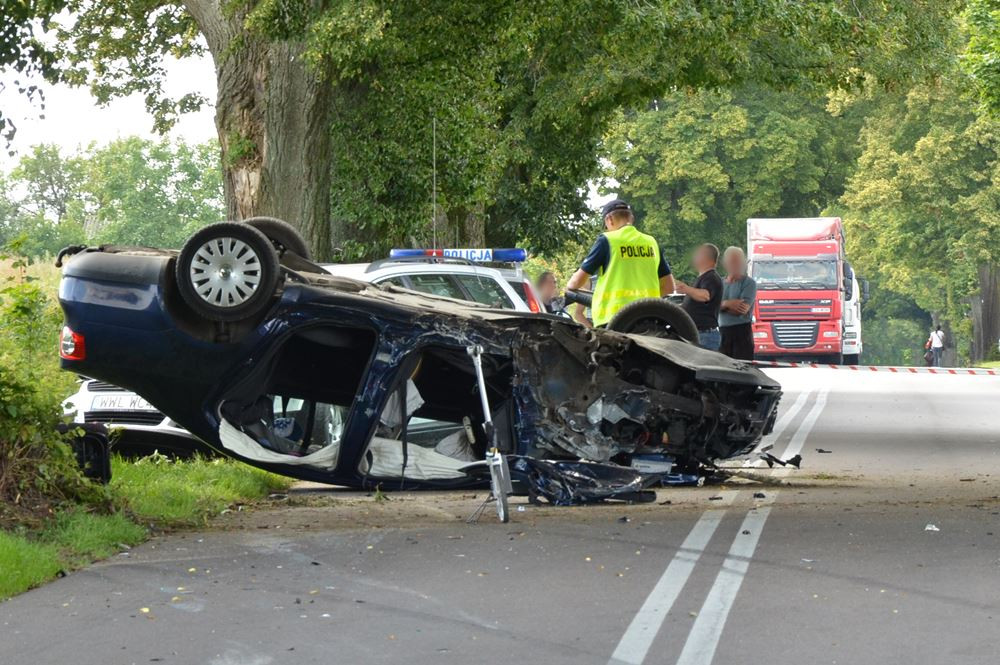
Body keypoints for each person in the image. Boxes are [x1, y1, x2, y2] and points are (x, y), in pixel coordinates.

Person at [565, 199, 674, 327]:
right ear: (631, 218)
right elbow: (669, 287)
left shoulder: (607, 240)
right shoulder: (651, 243)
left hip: (614, 321)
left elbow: (576, 283)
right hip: (648, 320)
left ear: (609, 220)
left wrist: (569, 287)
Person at [675, 243, 724, 350]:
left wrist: (686, 288)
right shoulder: (704, 277)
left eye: (698, 254)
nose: (694, 257)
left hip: (704, 335)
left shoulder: (711, 277)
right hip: (699, 335)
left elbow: (705, 296)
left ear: (706, 258)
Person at [718, 246, 756, 360]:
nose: (735, 264)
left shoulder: (749, 283)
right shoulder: (719, 283)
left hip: (742, 333)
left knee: (743, 369)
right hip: (722, 333)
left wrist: (721, 305)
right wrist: (728, 304)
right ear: (725, 263)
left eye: (738, 261)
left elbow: (741, 310)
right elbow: (710, 306)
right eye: (732, 261)